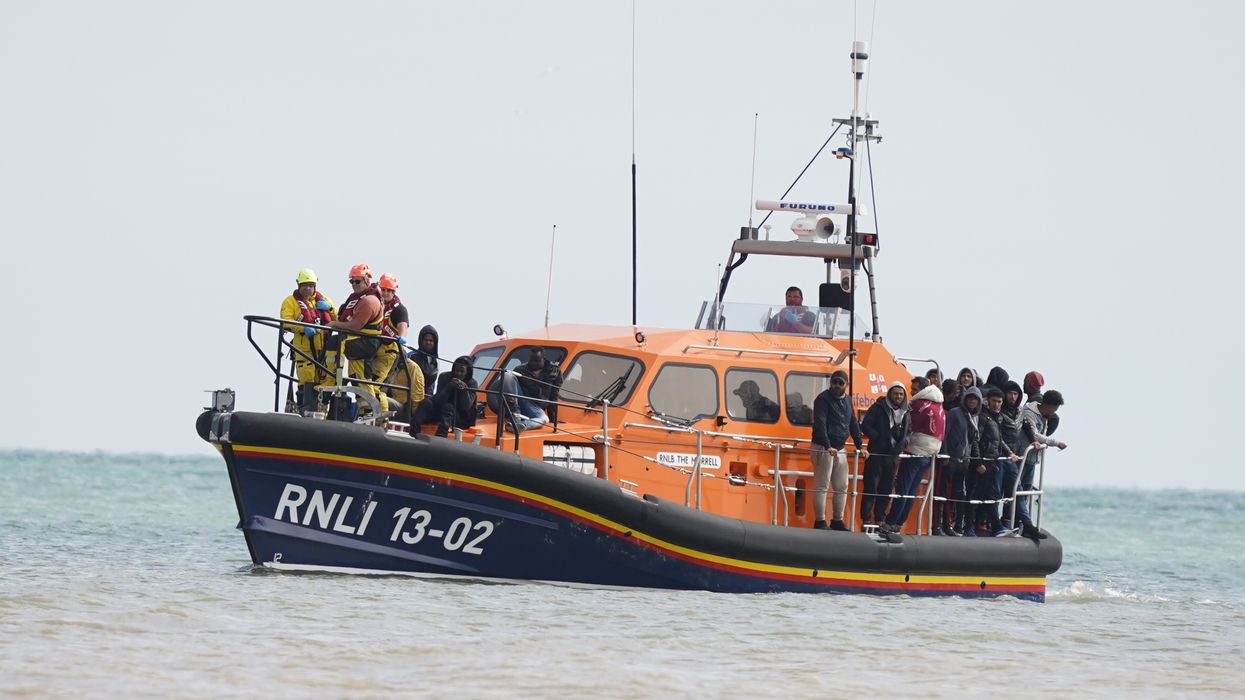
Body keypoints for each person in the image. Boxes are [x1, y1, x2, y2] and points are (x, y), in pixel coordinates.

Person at [877, 382, 944, 538]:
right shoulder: (938, 405)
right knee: (912, 491)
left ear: (922, 390)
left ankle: (890, 522)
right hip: (929, 454)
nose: (912, 392)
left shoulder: (920, 405)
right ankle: (899, 523)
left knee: (903, 489)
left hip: (915, 451)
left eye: (914, 390)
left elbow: (908, 426)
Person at [327, 264, 387, 416]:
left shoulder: (369, 301)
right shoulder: (356, 299)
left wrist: (334, 324)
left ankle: (333, 378)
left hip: (366, 342)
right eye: (351, 281)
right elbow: (344, 318)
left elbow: (355, 325)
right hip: (357, 340)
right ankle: (364, 411)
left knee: (337, 343)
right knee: (357, 377)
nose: (354, 284)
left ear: (366, 280)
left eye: (357, 281)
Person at [1007, 390, 1068, 540]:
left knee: (1026, 493)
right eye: (1054, 409)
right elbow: (1035, 434)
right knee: (1017, 492)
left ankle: (1020, 525)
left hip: (1032, 459)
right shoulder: (1029, 412)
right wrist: (1055, 443)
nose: (1054, 412)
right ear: (1048, 405)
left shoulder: (1045, 417)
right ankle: (1020, 524)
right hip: (1020, 457)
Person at [810, 370, 867, 531]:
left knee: (842, 486)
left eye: (840, 383)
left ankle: (837, 520)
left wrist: (860, 446)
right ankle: (820, 521)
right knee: (822, 485)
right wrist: (828, 446)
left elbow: (853, 423)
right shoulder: (822, 399)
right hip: (823, 447)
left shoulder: (848, 400)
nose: (836, 385)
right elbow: (820, 424)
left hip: (840, 448)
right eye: (834, 382)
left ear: (846, 385)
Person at [279, 268, 336, 415]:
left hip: (324, 349)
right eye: (304, 285)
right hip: (303, 349)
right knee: (306, 379)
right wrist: (303, 328)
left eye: (310, 285)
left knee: (325, 380)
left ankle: (323, 411)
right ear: (298, 285)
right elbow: (286, 322)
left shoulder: (324, 300)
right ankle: (304, 410)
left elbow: (337, 319)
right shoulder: (290, 302)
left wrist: (330, 308)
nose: (307, 288)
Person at [860, 381, 909, 528]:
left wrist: (903, 444)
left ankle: (880, 518)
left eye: (901, 394)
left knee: (886, 488)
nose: (898, 396)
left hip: (893, 456)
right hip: (876, 454)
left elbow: (909, 433)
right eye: (895, 393)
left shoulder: (907, 412)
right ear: (889, 394)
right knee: (871, 486)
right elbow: (865, 426)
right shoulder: (878, 407)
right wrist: (878, 437)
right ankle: (866, 519)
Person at [974, 387, 1016, 536]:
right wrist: (978, 462)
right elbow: (975, 440)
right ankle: (991, 526)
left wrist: (1009, 453)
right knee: (980, 494)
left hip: (994, 461)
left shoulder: (998, 417)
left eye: (999, 401)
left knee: (991, 495)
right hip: (983, 461)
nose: (996, 404)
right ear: (988, 401)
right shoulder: (983, 417)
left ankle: (993, 526)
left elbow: (999, 440)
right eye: (994, 401)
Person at [941, 385, 982, 536]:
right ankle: (944, 524)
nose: (972, 401)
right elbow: (945, 434)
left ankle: (957, 525)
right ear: (965, 399)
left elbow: (972, 441)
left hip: (965, 461)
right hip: (951, 459)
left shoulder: (975, 417)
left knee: (959, 494)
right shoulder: (954, 413)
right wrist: (945, 454)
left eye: (975, 399)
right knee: (945, 492)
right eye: (970, 398)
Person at [412, 356, 479, 437]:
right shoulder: (444, 377)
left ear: (467, 372)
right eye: (456, 370)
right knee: (426, 402)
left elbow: (466, 407)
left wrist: (464, 389)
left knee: (448, 407)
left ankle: (441, 435)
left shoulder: (472, 383)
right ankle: (413, 431)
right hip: (440, 411)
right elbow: (437, 400)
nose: (458, 373)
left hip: (459, 417)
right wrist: (448, 387)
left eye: (462, 371)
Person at [370, 273, 409, 412]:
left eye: (389, 290)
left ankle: (381, 417)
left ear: (394, 291)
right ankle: (366, 414)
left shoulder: (398, 309)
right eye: (383, 289)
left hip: (388, 353)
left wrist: (402, 336)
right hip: (373, 351)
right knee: (365, 385)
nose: (386, 293)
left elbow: (403, 325)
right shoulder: (376, 304)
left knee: (376, 387)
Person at [515, 347, 564, 423]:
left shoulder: (554, 371)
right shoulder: (519, 370)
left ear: (543, 359)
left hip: (539, 408)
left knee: (543, 420)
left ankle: (522, 424)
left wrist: (552, 418)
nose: (533, 363)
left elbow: (554, 394)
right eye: (531, 360)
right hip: (523, 405)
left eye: (537, 361)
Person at [1023, 370, 1060, 435]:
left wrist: (1042, 436)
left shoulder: (1036, 400)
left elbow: (1055, 418)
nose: (1023, 385)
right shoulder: (1035, 398)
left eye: (1025, 382)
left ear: (1030, 384)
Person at [413, 325, 440, 396]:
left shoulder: (436, 361)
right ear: (421, 341)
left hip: (428, 395)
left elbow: (433, 384)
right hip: (413, 393)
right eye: (426, 340)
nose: (428, 342)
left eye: (431, 341)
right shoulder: (412, 356)